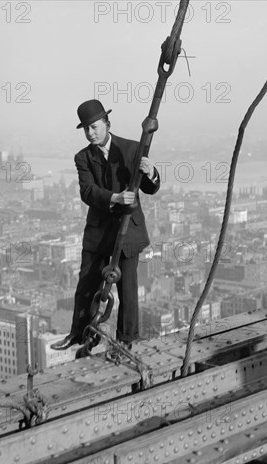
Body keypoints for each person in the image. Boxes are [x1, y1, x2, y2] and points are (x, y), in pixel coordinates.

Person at [51, 99, 160, 352]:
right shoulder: (83, 158)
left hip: (128, 231)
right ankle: (80, 334)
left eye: (95, 127)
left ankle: (127, 340)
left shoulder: (132, 149)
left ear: (107, 124)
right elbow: (88, 191)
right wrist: (116, 198)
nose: (91, 133)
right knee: (87, 285)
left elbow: (150, 188)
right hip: (99, 232)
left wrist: (151, 172)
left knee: (128, 290)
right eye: (87, 129)